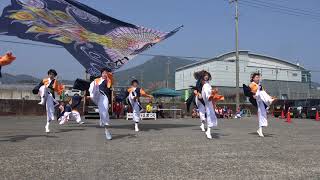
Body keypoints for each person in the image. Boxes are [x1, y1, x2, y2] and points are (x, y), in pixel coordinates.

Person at [248, 72, 276, 137]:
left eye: (259, 77)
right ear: (253, 78)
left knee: (262, 114)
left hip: (261, 99)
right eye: (257, 77)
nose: (258, 78)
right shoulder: (252, 84)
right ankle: (269, 101)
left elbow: (264, 93)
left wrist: (270, 97)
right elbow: (250, 93)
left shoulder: (260, 85)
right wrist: (252, 95)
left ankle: (260, 130)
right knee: (261, 92)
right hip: (256, 98)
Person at [89, 67, 113, 140]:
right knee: (94, 86)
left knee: (105, 111)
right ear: (101, 73)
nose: (105, 74)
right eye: (103, 73)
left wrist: (110, 76)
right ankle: (100, 112)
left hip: (104, 97)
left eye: (106, 73)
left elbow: (109, 85)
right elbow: (91, 89)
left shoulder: (108, 80)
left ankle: (106, 130)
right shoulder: (96, 80)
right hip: (96, 96)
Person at [197, 70, 223, 139]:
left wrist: (214, 92)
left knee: (211, 115)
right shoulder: (203, 84)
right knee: (209, 115)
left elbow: (209, 91)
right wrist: (199, 94)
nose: (206, 76)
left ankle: (208, 130)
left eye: (207, 75)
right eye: (205, 75)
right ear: (202, 76)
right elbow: (202, 90)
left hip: (209, 102)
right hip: (206, 100)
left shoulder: (207, 84)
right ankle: (208, 131)